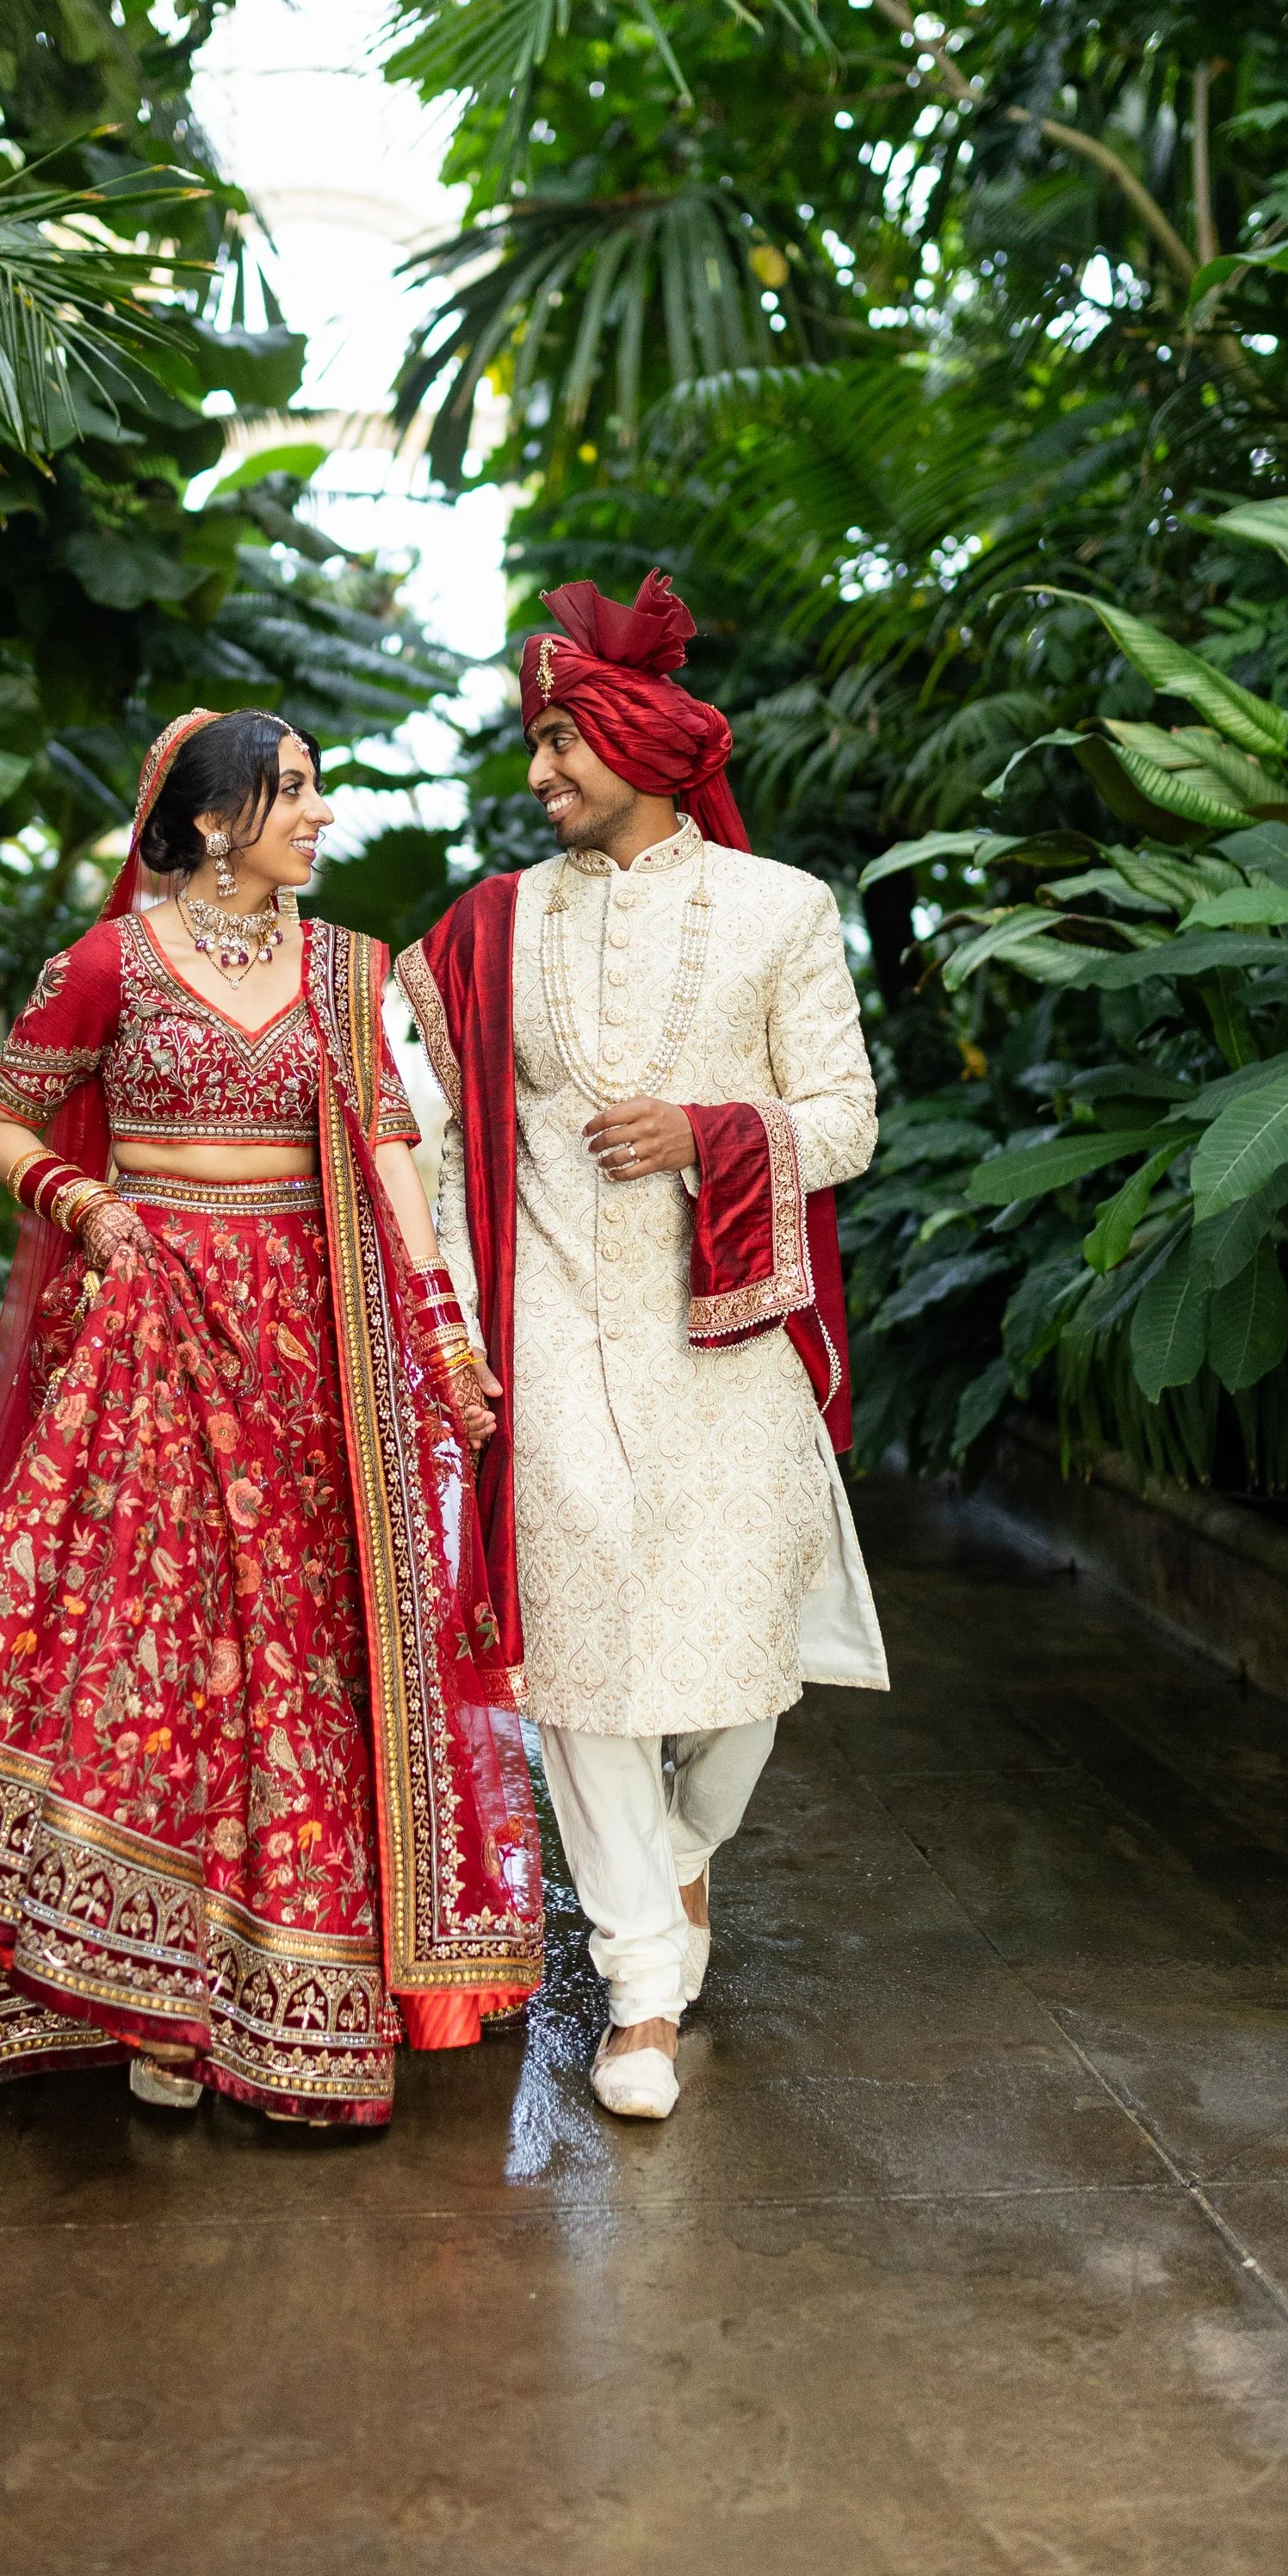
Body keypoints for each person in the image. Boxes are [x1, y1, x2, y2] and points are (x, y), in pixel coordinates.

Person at [0, 709, 542, 2127]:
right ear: (215, 823)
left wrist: (439, 1326)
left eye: (319, 792)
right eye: (297, 795)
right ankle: (127, 1982)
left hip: (307, 1340)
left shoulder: (344, 970)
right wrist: (80, 1201)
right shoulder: (111, 960)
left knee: (292, 1656)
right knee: (134, 1644)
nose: (321, 817)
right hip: (146, 1328)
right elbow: (0, 1115)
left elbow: (392, 1153)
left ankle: (267, 2003)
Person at [396, 573, 885, 2124]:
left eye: (559, 746)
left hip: (729, 1340)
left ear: (634, 743)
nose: (537, 778)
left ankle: (679, 1857)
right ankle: (639, 1993)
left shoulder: (782, 912)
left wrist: (709, 1131)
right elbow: (404, 1094)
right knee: (580, 1666)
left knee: (744, 1659)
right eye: (535, 747)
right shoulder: (491, 926)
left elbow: (851, 1123)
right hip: (549, 1338)